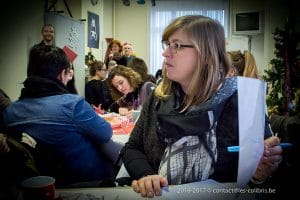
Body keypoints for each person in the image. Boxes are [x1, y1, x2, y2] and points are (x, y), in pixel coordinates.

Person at [120, 15, 282, 198]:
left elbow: (262, 178)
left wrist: (259, 174)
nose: (165, 53)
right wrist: (147, 176)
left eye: (177, 45)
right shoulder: (159, 96)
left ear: (206, 54)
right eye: (167, 44)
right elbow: (132, 147)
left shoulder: (243, 102)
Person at [3, 45, 117, 185]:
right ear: (62, 73)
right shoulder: (73, 104)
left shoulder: (10, 112)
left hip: (38, 185)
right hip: (86, 181)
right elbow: (105, 133)